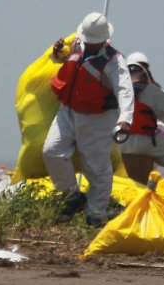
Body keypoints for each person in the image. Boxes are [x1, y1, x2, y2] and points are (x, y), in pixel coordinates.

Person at [44, 12, 134, 226]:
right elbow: (59, 60)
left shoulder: (114, 60)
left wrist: (125, 119)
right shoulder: (77, 44)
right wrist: (57, 52)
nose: (89, 45)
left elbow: (125, 90)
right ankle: (72, 196)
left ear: (104, 39)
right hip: (68, 111)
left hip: (98, 119)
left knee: (97, 168)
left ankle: (96, 215)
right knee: (52, 151)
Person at [120, 53, 164, 183]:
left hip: (119, 142)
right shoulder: (151, 90)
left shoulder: (116, 89)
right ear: (145, 72)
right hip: (144, 140)